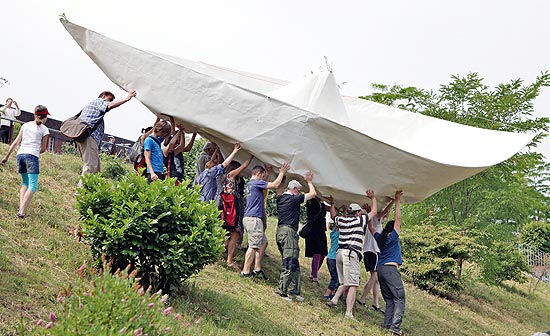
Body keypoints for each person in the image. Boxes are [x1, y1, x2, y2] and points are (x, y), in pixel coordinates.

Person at [326, 190, 377, 320]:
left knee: (346, 281)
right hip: (351, 254)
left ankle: (335, 299)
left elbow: (333, 216)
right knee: (353, 284)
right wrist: (373, 198)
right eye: (360, 211)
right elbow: (374, 213)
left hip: (339, 254)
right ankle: (348, 313)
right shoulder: (360, 220)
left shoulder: (342, 221)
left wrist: (332, 203)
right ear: (357, 213)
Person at [76, 90, 136, 188]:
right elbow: (109, 106)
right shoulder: (99, 101)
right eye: (109, 99)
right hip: (89, 137)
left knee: (97, 168)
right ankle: (81, 191)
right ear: (103, 96)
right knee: (90, 166)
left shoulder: (92, 106)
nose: (110, 102)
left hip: (85, 137)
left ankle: (92, 191)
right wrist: (127, 98)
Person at [241, 162, 289, 279]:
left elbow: (267, 184)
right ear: (258, 174)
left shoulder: (250, 184)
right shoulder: (256, 183)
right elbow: (274, 185)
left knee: (263, 242)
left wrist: (270, 172)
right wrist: (282, 172)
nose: (264, 179)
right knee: (253, 246)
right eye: (263, 176)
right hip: (254, 219)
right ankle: (245, 271)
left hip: (250, 217)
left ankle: (257, 269)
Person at [1, 105, 50, 218]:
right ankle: (22, 212)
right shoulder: (45, 129)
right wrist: (35, 151)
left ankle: (21, 208)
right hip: (32, 157)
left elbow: (15, 143)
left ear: (34, 115)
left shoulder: (25, 125)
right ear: (45, 117)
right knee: (33, 185)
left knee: (25, 183)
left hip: (20, 155)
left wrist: (6, 157)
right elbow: (43, 149)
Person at [274, 173, 317, 302]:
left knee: (295, 263)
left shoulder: (280, 198)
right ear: (295, 190)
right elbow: (313, 194)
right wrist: (309, 182)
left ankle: (294, 291)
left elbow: (279, 190)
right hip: (289, 233)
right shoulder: (294, 199)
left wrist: (283, 178)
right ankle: (282, 291)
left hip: (281, 231)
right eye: (299, 191)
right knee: (289, 262)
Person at [370, 190, 405, 335]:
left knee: (390, 299)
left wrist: (369, 213)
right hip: (391, 270)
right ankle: (395, 327)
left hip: (380, 271)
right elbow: (398, 218)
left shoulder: (380, 237)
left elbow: (371, 228)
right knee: (399, 298)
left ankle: (387, 325)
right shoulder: (393, 238)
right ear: (393, 229)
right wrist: (397, 200)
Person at [357, 198, 396, 312]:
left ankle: (375, 303)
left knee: (376, 278)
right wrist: (393, 202)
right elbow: (385, 212)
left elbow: (385, 213)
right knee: (375, 277)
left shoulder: (371, 220)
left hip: (368, 250)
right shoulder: (375, 219)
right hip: (374, 251)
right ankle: (363, 298)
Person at [220, 154, 253, 269]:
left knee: (233, 233)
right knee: (235, 233)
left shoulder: (238, 179)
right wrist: (250, 157)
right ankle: (229, 260)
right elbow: (243, 167)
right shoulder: (230, 175)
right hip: (231, 207)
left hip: (234, 206)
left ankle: (219, 251)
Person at [164, 117, 197, 185]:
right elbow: (172, 143)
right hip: (172, 178)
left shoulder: (173, 152)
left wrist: (182, 132)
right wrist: (179, 131)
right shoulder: (166, 152)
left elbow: (182, 146)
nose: (176, 143)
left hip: (179, 176)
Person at [305, 196, 329, 284]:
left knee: (323, 253)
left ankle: (313, 272)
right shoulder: (311, 201)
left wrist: (334, 203)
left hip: (321, 230)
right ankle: (314, 276)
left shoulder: (322, 203)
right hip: (313, 230)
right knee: (317, 253)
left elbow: (328, 208)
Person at [323, 212, 339, 299]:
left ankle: (332, 293)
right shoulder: (340, 235)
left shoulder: (333, 233)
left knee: (336, 277)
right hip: (335, 259)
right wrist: (344, 211)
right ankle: (327, 294)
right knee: (335, 278)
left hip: (329, 258)